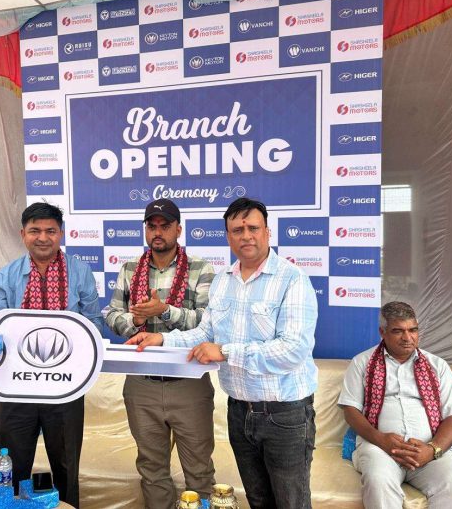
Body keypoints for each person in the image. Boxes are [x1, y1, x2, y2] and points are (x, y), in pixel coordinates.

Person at [127, 197, 318, 509]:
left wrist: (226, 352)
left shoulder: (292, 279)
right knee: (257, 500)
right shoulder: (223, 281)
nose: (246, 236)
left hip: (285, 414)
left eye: (253, 228)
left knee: (291, 502)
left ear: (267, 232)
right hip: (240, 411)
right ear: (228, 236)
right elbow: (205, 334)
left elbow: (292, 350)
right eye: (237, 230)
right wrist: (161, 339)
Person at [0, 202, 102, 506]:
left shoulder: (80, 272)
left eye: (50, 231)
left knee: (66, 467)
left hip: (64, 387)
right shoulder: (6, 276)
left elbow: (94, 326)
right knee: (14, 467)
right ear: (23, 234)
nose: (43, 237)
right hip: (16, 387)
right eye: (35, 230)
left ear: (61, 234)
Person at [105, 198, 216, 507]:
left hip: (188, 382)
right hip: (142, 384)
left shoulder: (201, 269)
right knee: (152, 471)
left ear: (178, 229)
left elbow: (208, 323)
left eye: (165, 226)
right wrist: (136, 320)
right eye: (152, 226)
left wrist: (165, 311)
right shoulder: (129, 269)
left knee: (199, 472)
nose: (157, 232)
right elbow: (111, 315)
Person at [338, 301, 452, 509]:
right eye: (398, 331)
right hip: (379, 449)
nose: (407, 338)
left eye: (413, 330)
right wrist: (381, 439)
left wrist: (432, 449)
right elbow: (350, 410)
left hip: (429, 449)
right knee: (378, 482)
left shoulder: (437, 365)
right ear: (382, 332)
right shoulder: (362, 362)